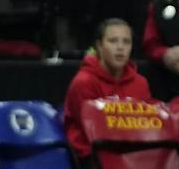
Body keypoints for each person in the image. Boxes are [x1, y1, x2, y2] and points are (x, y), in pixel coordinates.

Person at [61, 17, 152, 160]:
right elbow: (93, 132)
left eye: (126, 42)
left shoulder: (140, 83)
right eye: (113, 41)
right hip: (90, 155)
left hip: (132, 154)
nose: (120, 47)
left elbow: (146, 126)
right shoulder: (84, 82)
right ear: (99, 46)